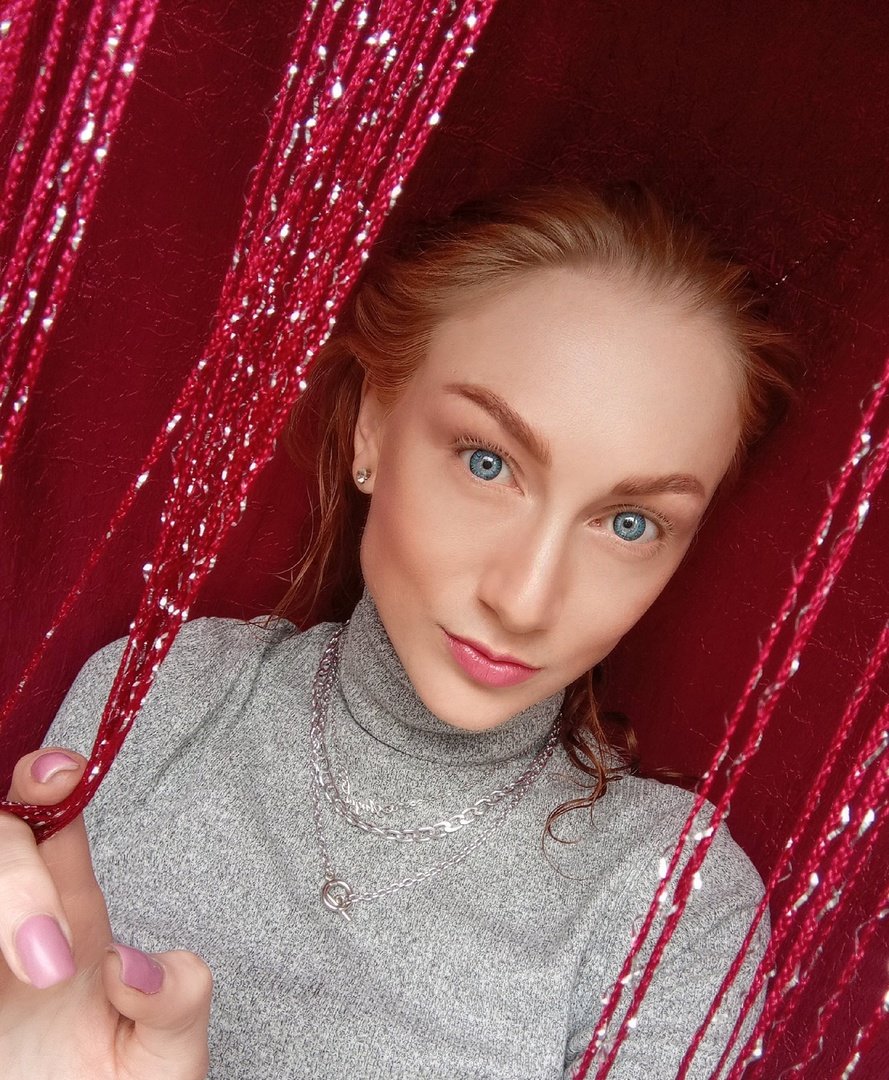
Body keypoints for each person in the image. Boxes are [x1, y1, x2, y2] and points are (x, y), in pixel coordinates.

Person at [0, 183, 799, 1079]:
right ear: (372, 426)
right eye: (487, 462)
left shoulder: (672, 904)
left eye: (628, 522)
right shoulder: (160, 697)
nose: (525, 600)